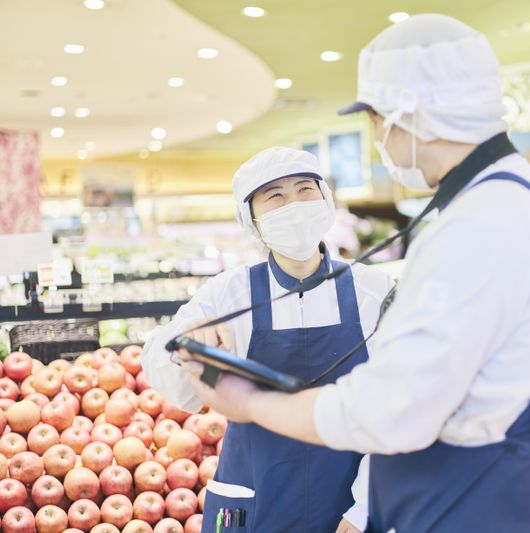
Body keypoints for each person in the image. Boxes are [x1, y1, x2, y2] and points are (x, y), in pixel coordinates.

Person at [175, 14, 530, 533]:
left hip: (492, 502)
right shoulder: (517, 198)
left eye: (377, 119)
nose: (379, 136)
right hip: (499, 491)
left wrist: (251, 402)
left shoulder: (480, 223)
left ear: (411, 116)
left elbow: (391, 409)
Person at [141, 147, 394, 533]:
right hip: (251, 499)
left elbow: (399, 405)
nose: (294, 204)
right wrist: (186, 344)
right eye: (275, 196)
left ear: (325, 201)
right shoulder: (229, 293)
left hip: (346, 504)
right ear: (254, 222)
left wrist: (365, 507)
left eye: (305, 189)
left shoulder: (373, 290)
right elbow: (162, 369)